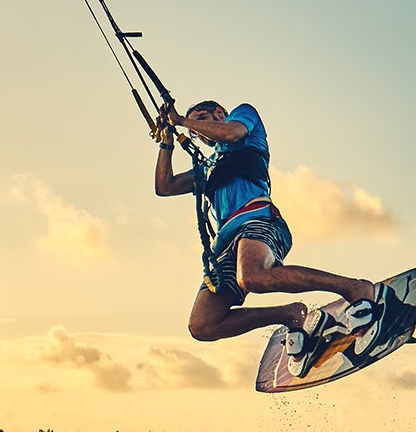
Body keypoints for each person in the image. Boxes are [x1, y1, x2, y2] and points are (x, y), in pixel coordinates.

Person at [153, 99, 390, 375]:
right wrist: (166, 140)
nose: (199, 131)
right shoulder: (207, 168)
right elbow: (165, 186)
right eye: (195, 130)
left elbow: (231, 133)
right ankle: (289, 314)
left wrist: (182, 120)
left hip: (258, 220)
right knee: (202, 325)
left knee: (253, 276)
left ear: (220, 113)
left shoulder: (243, 119)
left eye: (203, 119)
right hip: (224, 246)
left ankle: (355, 288)